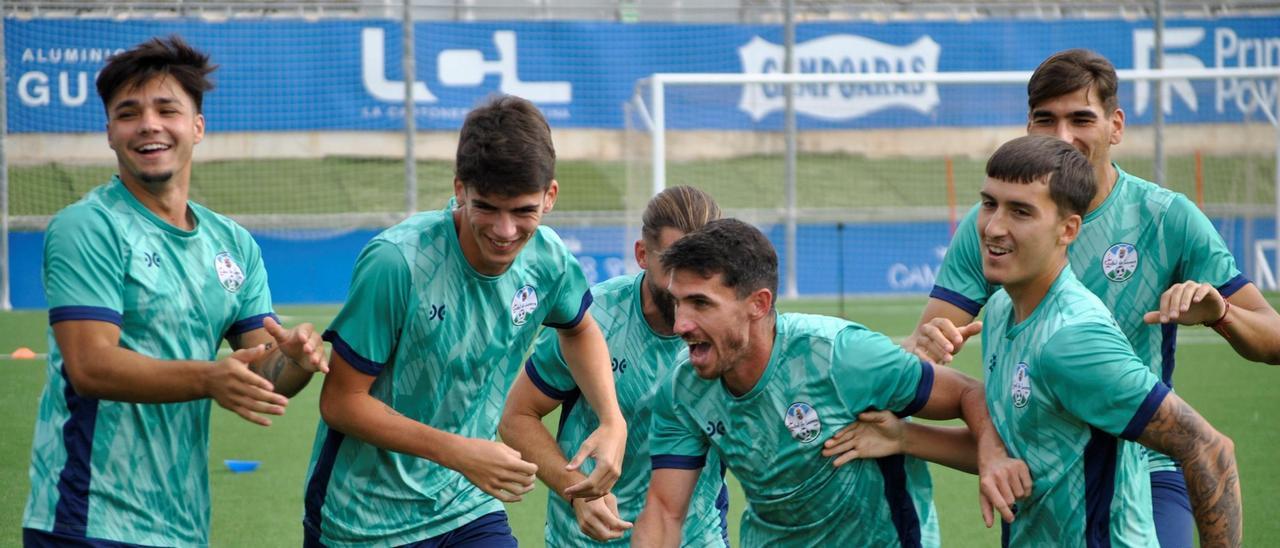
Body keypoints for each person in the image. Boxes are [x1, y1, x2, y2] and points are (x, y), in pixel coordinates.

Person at [904, 48, 1280, 548]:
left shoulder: (1165, 217)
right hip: (1047, 451)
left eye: (1081, 118)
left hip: (1143, 455)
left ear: (1115, 125)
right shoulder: (992, 235)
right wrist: (924, 352)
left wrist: (1224, 314)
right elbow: (921, 366)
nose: (1064, 136)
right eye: (1045, 120)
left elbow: (1271, 342)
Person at [835, 135, 1241, 547]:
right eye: (990, 204)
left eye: (1021, 212)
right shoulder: (999, 311)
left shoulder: (1074, 339)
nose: (993, 227)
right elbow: (1032, 452)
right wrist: (904, 437)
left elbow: (1209, 450)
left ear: (1068, 229)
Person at [23, 36, 327, 547]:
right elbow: (91, 365)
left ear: (197, 127)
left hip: (182, 526)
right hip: (86, 518)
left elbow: (264, 374)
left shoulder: (233, 244)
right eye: (128, 113)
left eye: (168, 109)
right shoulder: (88, 227)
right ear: (110, 133)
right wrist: (210, 378)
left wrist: (295, 358)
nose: (149, 124)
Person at [302, 95, 627, 547]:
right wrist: (459, 453)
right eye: (488, 207)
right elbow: (340, 402)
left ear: (549, 196)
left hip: (466, 505)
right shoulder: (398, 262)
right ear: (460, 189)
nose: (505, 230)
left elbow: (580, 328)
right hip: (364, 520)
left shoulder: (548, 259)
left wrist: (613, 421)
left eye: (523, 211)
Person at [630, 219, 1029, 547]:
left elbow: (965, 392)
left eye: (701, 303)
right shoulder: (682, 389)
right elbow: (665, 511)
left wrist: (991, 456)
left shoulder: (839, 356)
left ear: (759, 304)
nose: (680, 323)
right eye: (678, 301)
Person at [500, 186, 729, 546]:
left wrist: (854, 425)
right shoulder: (594, 319)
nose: (687, 283)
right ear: (642, 254)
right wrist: (575, 491)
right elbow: (516, 417)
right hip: (587, 540)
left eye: (703, 267)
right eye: (673, 264)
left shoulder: (732, 326)